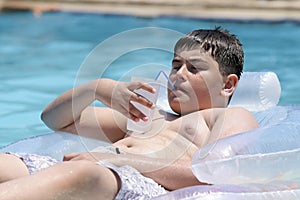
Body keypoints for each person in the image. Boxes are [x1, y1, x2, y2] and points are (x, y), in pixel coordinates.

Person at [0, 27, 259, 200]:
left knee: (84, 174)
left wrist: (118, 157)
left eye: (194, 69)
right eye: (176, 65)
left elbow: (214, 173)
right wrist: (99, 89)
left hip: (139, 185)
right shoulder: (150, 116)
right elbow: (55, 120)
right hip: (97, 171)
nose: (178, 75)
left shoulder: (230, 116)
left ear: (228, 85)